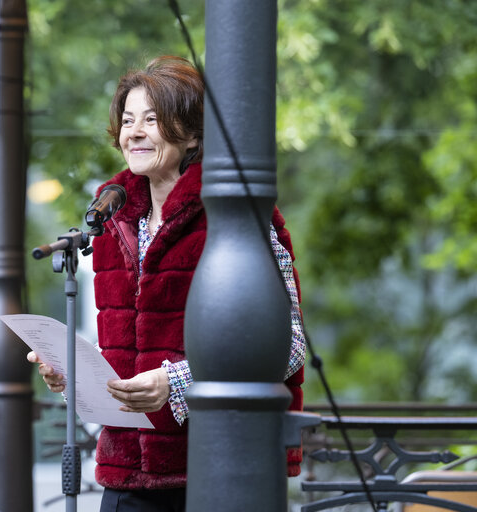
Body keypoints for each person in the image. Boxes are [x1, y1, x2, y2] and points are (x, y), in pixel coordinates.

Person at [27, 56, 306, 511]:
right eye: (127, 120)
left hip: (222, 469)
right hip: (125, 475)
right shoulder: (110, 220)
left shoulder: (240, 217)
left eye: (152, 120)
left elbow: (289, 345)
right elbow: (120, 348)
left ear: (194, 133)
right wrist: (75, 376)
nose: (133, 132)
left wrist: (179, 384)